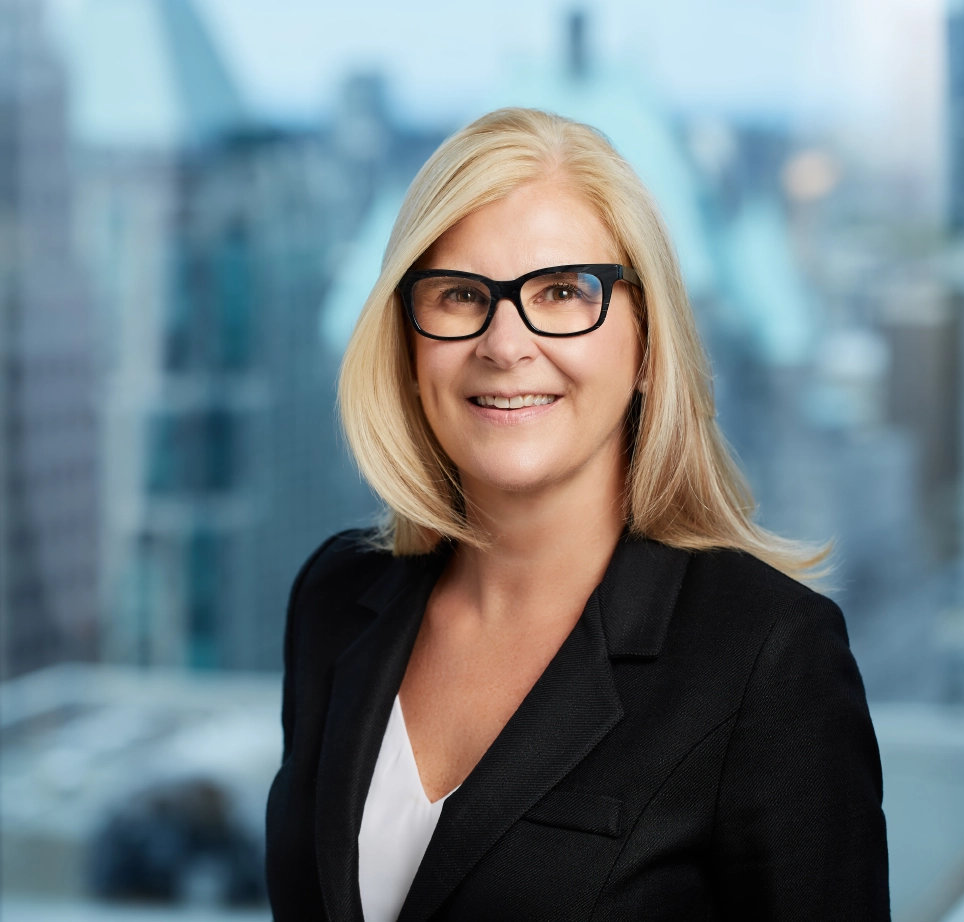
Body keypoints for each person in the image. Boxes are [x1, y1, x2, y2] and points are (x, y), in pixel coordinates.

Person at [265, 107, 890, 922]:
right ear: (408, 345)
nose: (504, 342)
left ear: (646, 344)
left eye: (562, 292)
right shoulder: (336, 598)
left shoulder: (768, 657)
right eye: (459, 295)